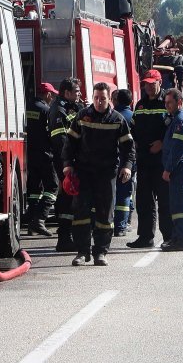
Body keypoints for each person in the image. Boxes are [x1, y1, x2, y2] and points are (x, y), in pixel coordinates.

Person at [62, 82, 135, 266]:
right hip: (84, 172)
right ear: (92, 97)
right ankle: (82, 252)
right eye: (96, 98)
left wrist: (126, 166)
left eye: (102, 98)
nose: (99, 102)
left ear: (109, 99)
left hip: (106, 173)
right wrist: (67, 165)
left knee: (105, 215)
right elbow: (69, 143)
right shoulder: (82, 116)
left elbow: (129, 147)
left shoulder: (117, 120)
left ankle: (100, 252)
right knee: (81, 214)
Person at [128, 69, 172, 249]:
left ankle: (169, 236)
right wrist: (135, 143)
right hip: (144, 161)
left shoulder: (167, 103)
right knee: (144, 202)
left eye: (152, 84)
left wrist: (162, 143)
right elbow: (132, 129)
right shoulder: (140, 106)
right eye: (146, 84)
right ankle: (145, 237)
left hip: (162, 162)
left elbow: (175, 128)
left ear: (160, 83)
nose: (148, 87)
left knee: (164, 202)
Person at [48, 78, 82, 251]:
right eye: (76, 91)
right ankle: (64, 238)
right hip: (65, 163)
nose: (79, 94)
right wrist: (69, 163)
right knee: (66, 200)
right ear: (67, 92)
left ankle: (69, 236)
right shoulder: (58, 109)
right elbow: (61, 140)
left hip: (70, 162)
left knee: (71, 199)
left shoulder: (70, 107)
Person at [160, 88, 183, 251]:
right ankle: (177, 237)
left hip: (179, 170)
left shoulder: (180, 121)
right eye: (165, 103)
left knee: (179, 206)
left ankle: (181, 240)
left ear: (179, 103)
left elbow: (178, 148)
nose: (167, 106)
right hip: (179, 169)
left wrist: (168, 169)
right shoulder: (177, 119)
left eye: (170, 103)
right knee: (176, 205)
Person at [23, 82, 59, 237]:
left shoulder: (27, 107)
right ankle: (40, 220)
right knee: (52, 187)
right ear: (48, 94)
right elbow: (51, 132)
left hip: (31, 154)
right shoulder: (47, 110)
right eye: (52, 95)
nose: (52, 98)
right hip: (46, 154)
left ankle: (32, 222)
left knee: (34, 190)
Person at [112, 88, 136, 237]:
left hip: (112, 160)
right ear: (131, 102)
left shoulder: (111, 116)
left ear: (115, 101)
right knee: (125, 193)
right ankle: (121, 226)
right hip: (127, 162)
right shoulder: (133, 117)